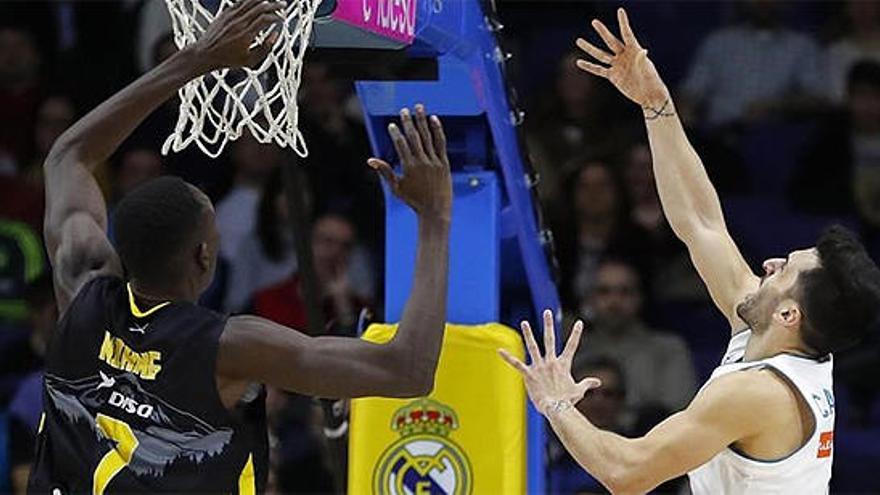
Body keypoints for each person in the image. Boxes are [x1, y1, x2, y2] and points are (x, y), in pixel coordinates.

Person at [30, 1, 453, 492]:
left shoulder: (80, 287)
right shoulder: (229, 347)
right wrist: (436, 220)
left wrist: (196, 59)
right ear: (204, 258)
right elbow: (408, 370)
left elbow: (67, 156)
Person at [500, 9, 880, 493]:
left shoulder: (759, 393)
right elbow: (702, 223)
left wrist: (554, 403)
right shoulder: (775, 332)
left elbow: (627, 474)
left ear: (789, 314)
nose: (767, 264)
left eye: (783, 270)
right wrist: (657, 104)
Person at [573, 258, 697, 415]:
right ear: (589, 299)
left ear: (640, 298)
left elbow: (681, 412)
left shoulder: (668, 349)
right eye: (604, 291)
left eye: (625, 292)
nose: (614, 302)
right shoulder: (571, 350)